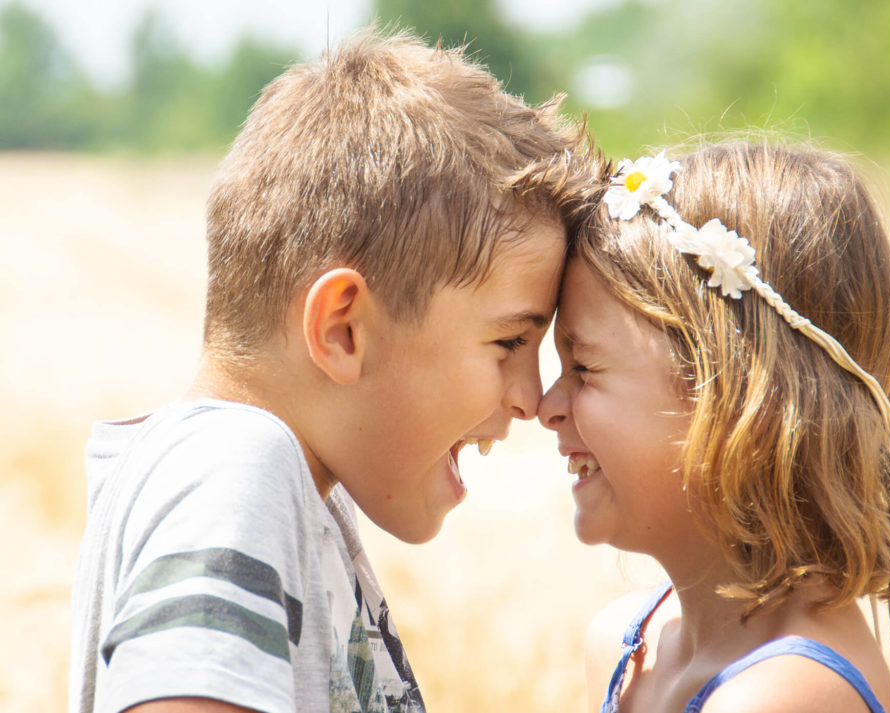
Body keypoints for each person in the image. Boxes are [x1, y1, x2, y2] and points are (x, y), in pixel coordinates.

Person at [69, 29, 598, 713]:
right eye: (508, 342)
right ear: (343, 328)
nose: (531, 397)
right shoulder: (233, 470)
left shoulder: (285, 487)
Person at [538, 141, 890, 713]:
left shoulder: (783, 695)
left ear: (741, 398)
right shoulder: (624, 649)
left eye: (585, 367)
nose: (547, 405)